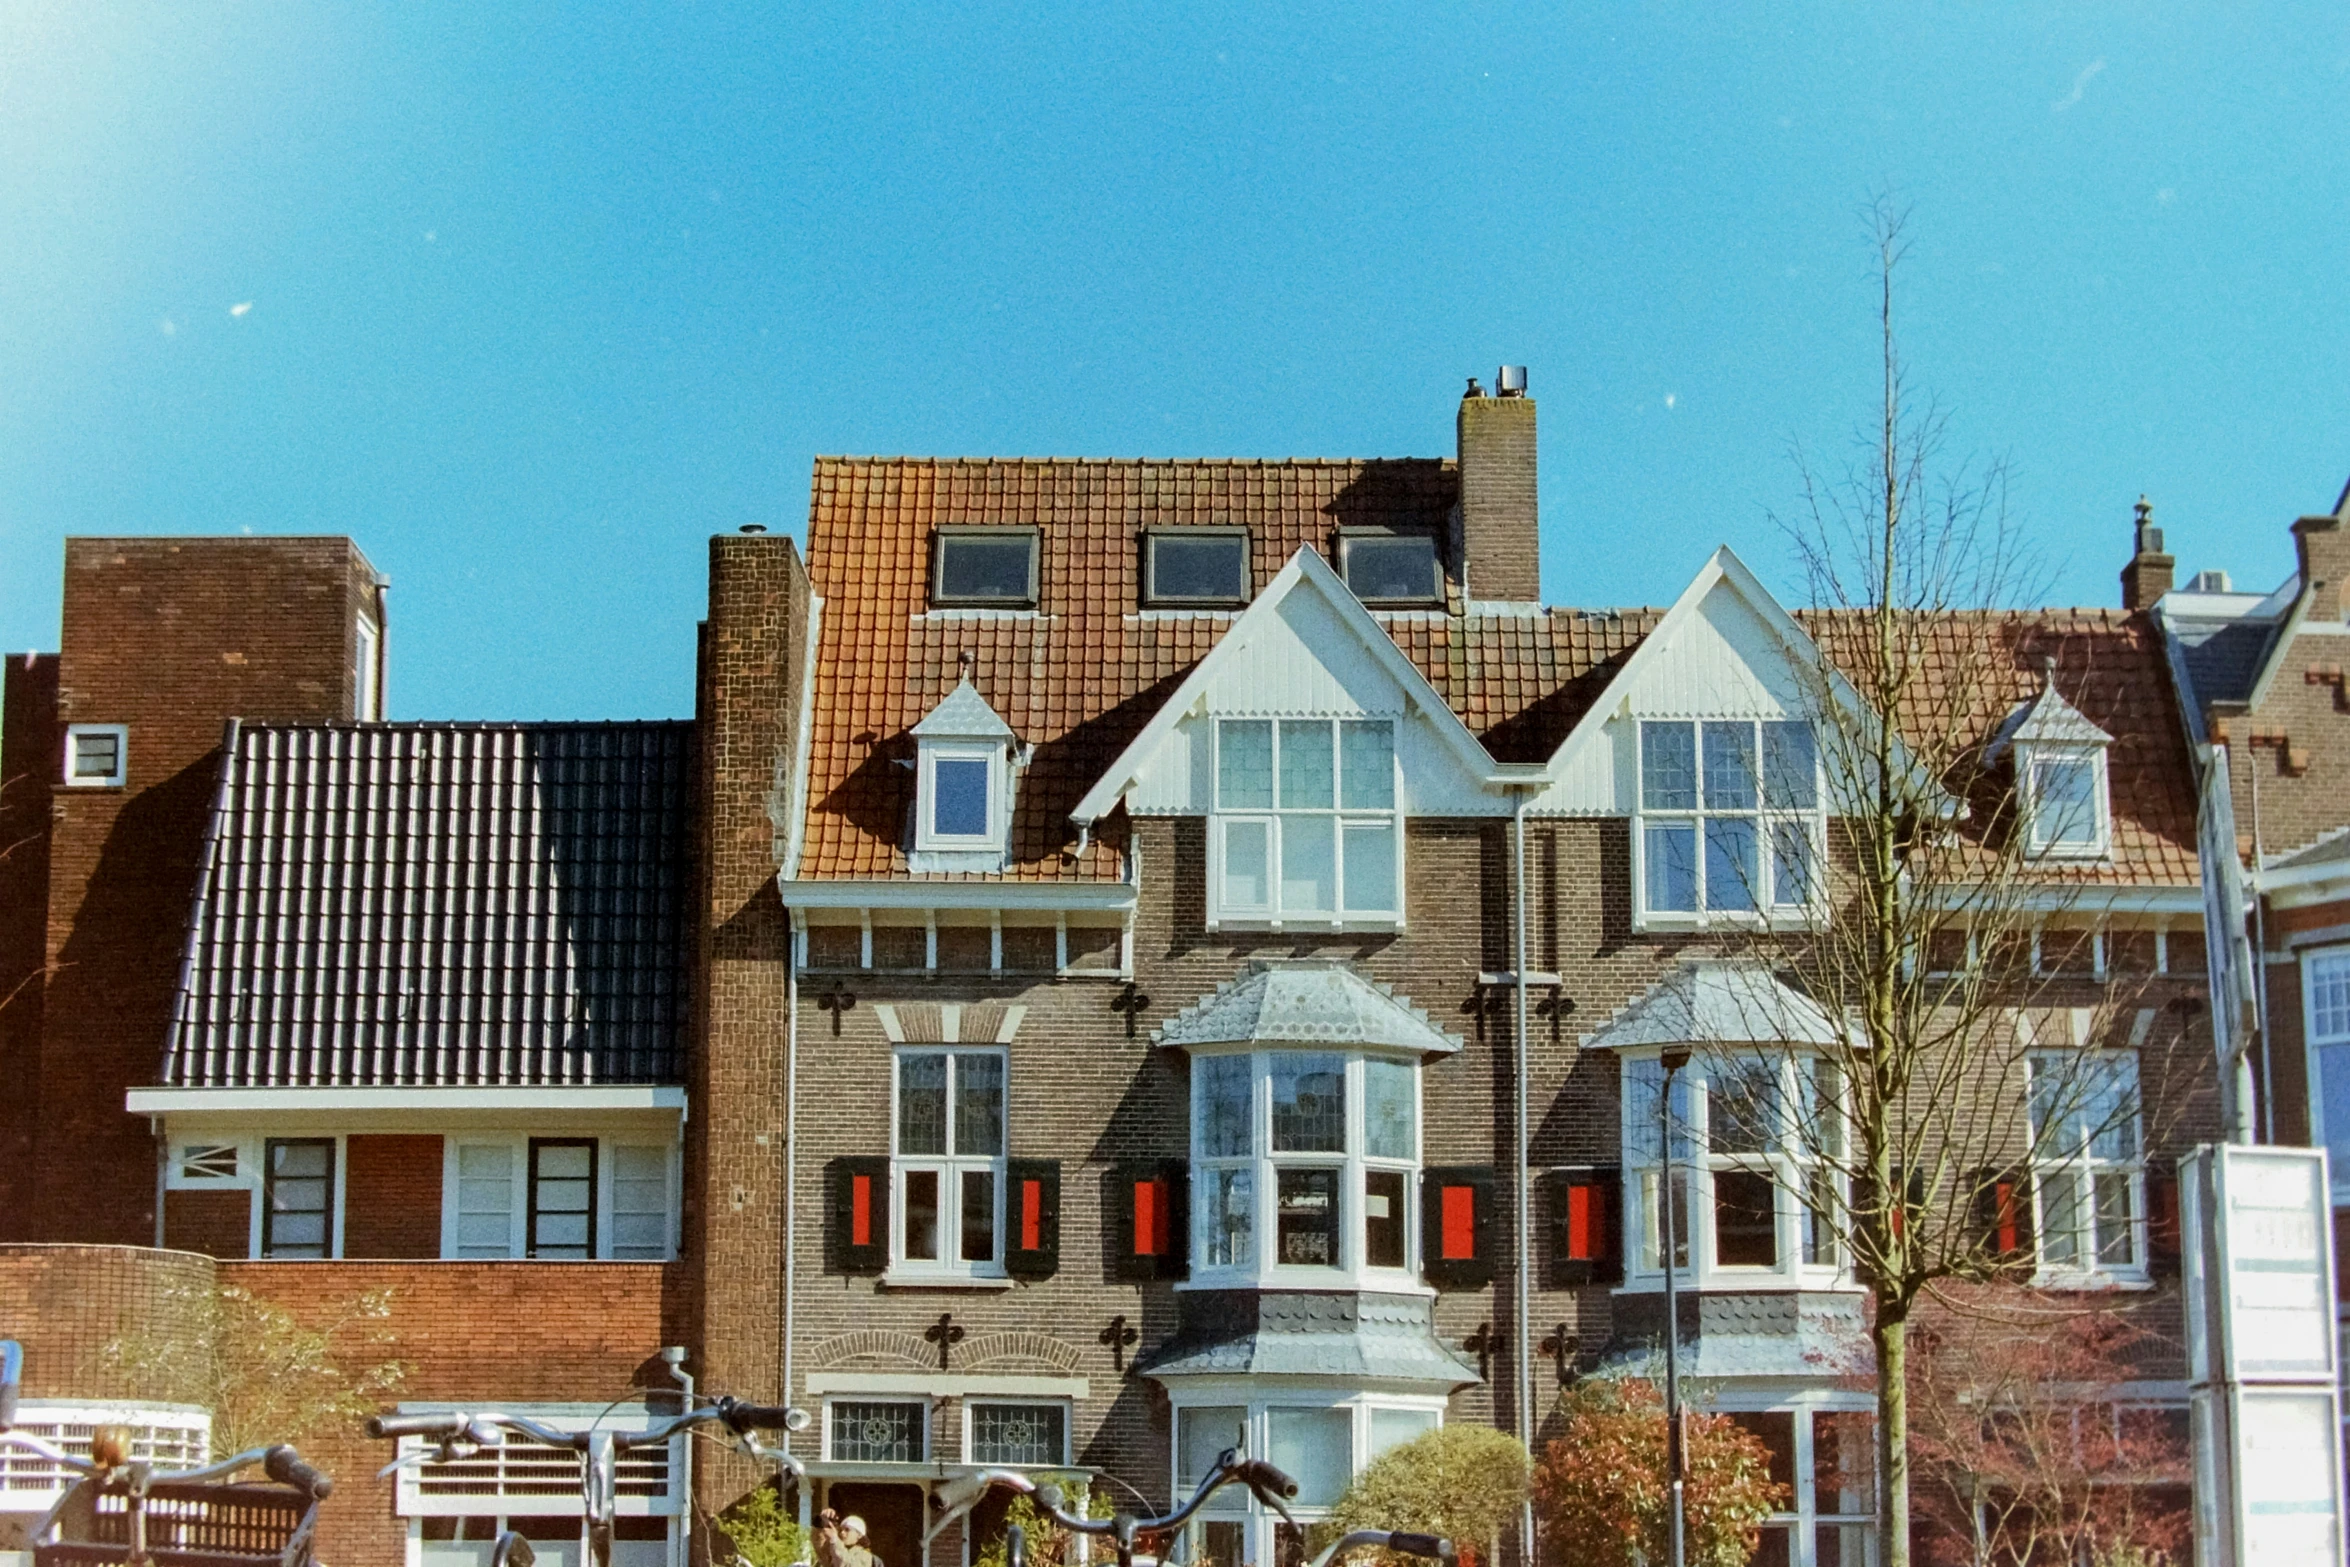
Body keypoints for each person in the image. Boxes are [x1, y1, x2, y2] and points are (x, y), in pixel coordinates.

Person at [814, 1508, 879, 1567]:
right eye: (841, 1530)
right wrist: (821, 1528)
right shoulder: (835, 1549)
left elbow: (847, 1564)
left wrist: (834, 1539)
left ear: (859, 1535)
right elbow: (820, 1550)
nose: (842, 1533)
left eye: (847, 1530)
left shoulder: (865, 1555)